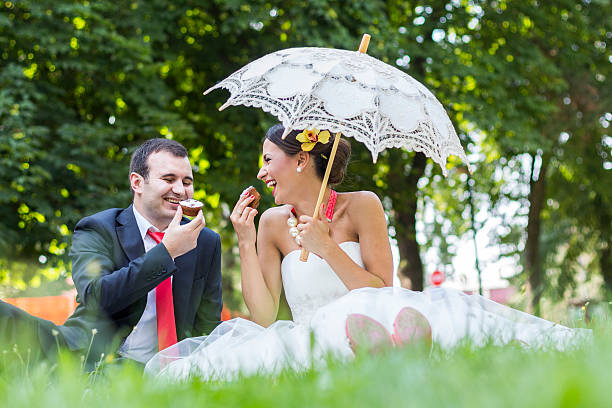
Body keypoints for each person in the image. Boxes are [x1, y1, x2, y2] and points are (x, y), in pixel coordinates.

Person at [145, 125, 589, 381]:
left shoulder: (364, 206)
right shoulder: (271, 224)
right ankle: (387, 356)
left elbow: (383, 289)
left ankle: (394, 351)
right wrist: (244, 239)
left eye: (267, 159)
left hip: (375, 317)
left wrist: (327, 249)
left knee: (392, 316)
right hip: (310, 335)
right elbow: (263, 317)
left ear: (301, 160)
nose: (261, 172)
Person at [0, 138, 222, 367]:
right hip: (95, 357)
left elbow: (208, 325)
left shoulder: (206, 241)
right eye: (168, 179)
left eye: (187, 182)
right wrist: (166, 253)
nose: (180, 190)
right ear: (137, 182)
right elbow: (96, 296)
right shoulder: (97, 228)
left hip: (168, 370)